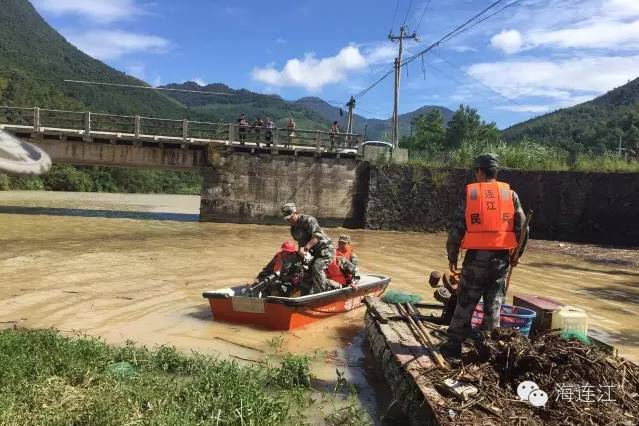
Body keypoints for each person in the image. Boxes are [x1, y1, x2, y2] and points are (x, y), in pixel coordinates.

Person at [440, 154, 528, 358]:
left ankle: (453, 345)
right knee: (494, 305)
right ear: (496, 172)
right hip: (501, 262)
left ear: (479, 171)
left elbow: (457, 230)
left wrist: (452, 256)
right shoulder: (510, 195)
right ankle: (488, 351)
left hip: (475, 261)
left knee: (465, 303)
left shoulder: (472, 195)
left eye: (475, 171)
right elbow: (523, 228)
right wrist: (517, 255)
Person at [281, 202, 336, 295]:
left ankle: (321, 295)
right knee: (305, 272)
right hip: (312, 252)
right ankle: (305, 295)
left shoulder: (309, 220)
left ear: (296, 213)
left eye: (290, 218)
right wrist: (301, 255)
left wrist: (305, 248)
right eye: (287, 219)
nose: (289, 221)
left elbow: (317, 236)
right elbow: (300, 243)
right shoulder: (293, 229)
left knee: (317, 266)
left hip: (325, 249)